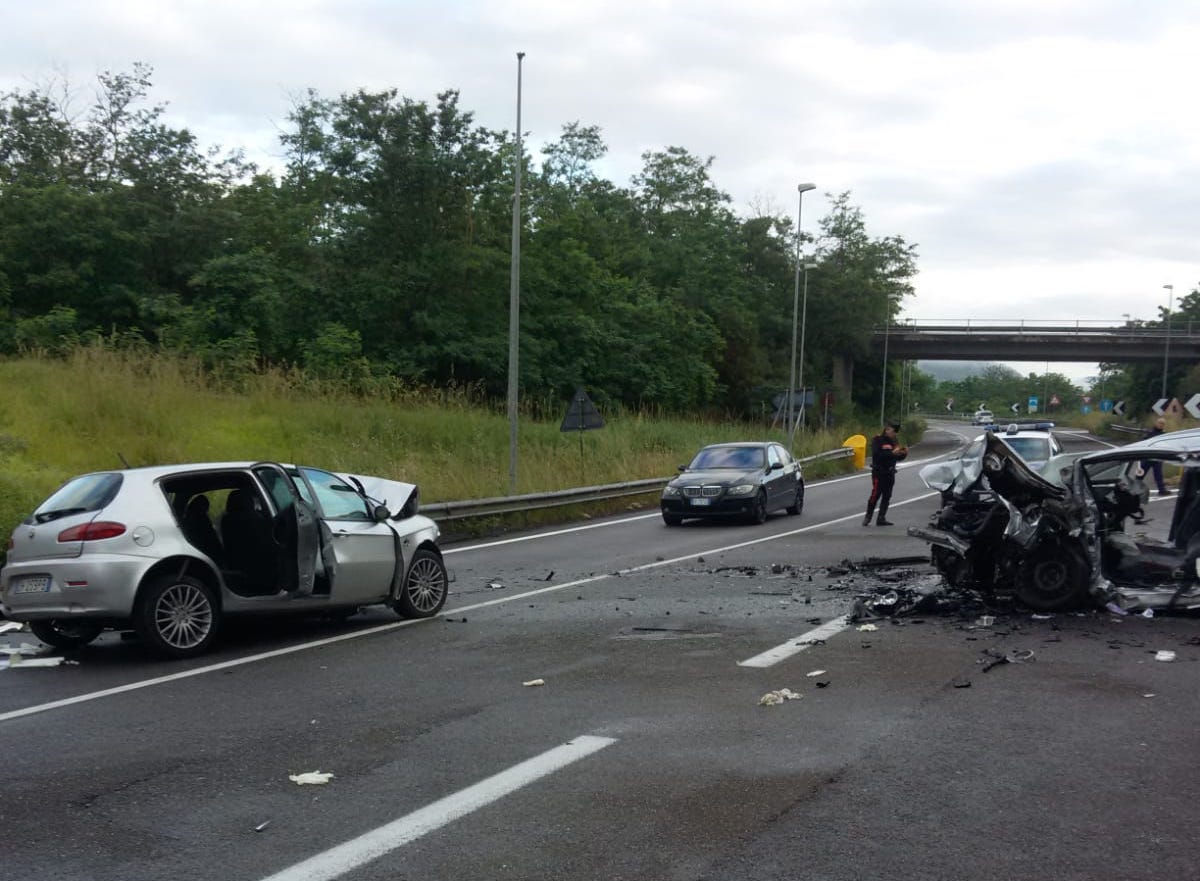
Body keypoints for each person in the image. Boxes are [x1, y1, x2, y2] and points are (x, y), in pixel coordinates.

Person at [863, 421, 908, 526]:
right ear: (887, 430)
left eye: (895, 432)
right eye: (893, 431)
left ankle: (881, 518)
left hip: (890, 472)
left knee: (887, 496)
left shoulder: (894, 441)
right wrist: (891, 453)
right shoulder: (877, 440)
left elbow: (897, 457)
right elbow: (877, 455)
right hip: (879, 472)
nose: (894, 434)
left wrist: (903, 454)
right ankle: (868, 517)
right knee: (875, 494)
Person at [1141, 416, 1169, 495]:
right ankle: (1133, 489)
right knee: (1140, 475)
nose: (1161, 425)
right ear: (1156, 423)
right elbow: (1143, 443)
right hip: (1147, 457)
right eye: (1160, 423)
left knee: (1158, 475)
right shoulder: (1149, 432)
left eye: (1163, 424)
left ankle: (1162, 490)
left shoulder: (1164, 434)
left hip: (1157, 457)